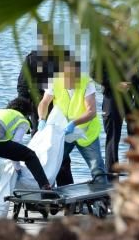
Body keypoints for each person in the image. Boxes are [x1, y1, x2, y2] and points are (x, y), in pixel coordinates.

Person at [37, 56, 108, 185]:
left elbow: (91, 111)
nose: (69, 81)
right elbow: (44, 102)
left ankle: (104, 201)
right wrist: (41, 119)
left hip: (86, 132)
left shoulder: (87, 82)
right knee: (51, 165)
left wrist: (74, 123)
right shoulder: (54, 80)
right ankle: (46, 197)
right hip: (64, 132)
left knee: (97, 169)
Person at [0, 97, 52, 203]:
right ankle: (46, 189)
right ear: (27, 113)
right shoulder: (22, 119)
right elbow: (16, 142)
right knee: (30, 155)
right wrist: (17, 168)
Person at [99, 13, 139, 174]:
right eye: (119, 22)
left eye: (125, 22)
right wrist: (114, 84)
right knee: (112, 138)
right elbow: (94, 71)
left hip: (134, 94)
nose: (122, 26)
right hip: (113, 94)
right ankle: (112, 176)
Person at [16, 21, 61, 131]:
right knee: (39, 139)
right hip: (38, 106)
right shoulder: (31, 59)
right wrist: (24, 115)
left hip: (60, 105)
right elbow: (23, 88)